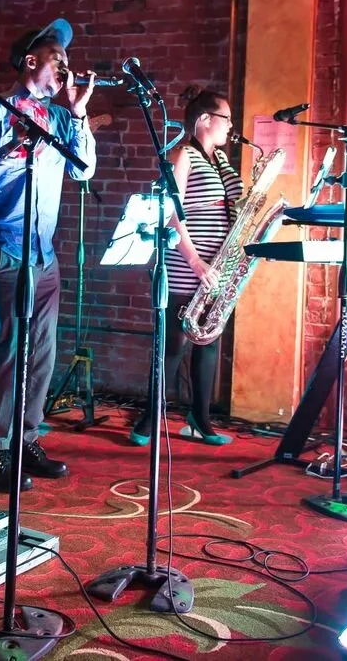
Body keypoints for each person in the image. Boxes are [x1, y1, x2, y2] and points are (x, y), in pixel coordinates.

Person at [0, 19, 96, 491]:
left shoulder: (60, 119)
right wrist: (9, 153)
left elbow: (84, 171)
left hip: (44, 253)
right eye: (59, 60)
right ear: (32, 61)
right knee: (14, 348)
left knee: (44, 353)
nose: (67, 69)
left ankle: (26, 440)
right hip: (5, 247)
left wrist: (79, 115)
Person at [129, 91, 242, 448]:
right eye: (226, 118)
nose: (231, 125)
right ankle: (151, 415)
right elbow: (172, 213)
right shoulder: (183, 154)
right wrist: (195, 261)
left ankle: (200, 418)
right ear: (205, 119)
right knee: (174, 344)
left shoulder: (220, 158)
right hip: (186, 264)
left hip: (218, 266)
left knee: (208, 340)